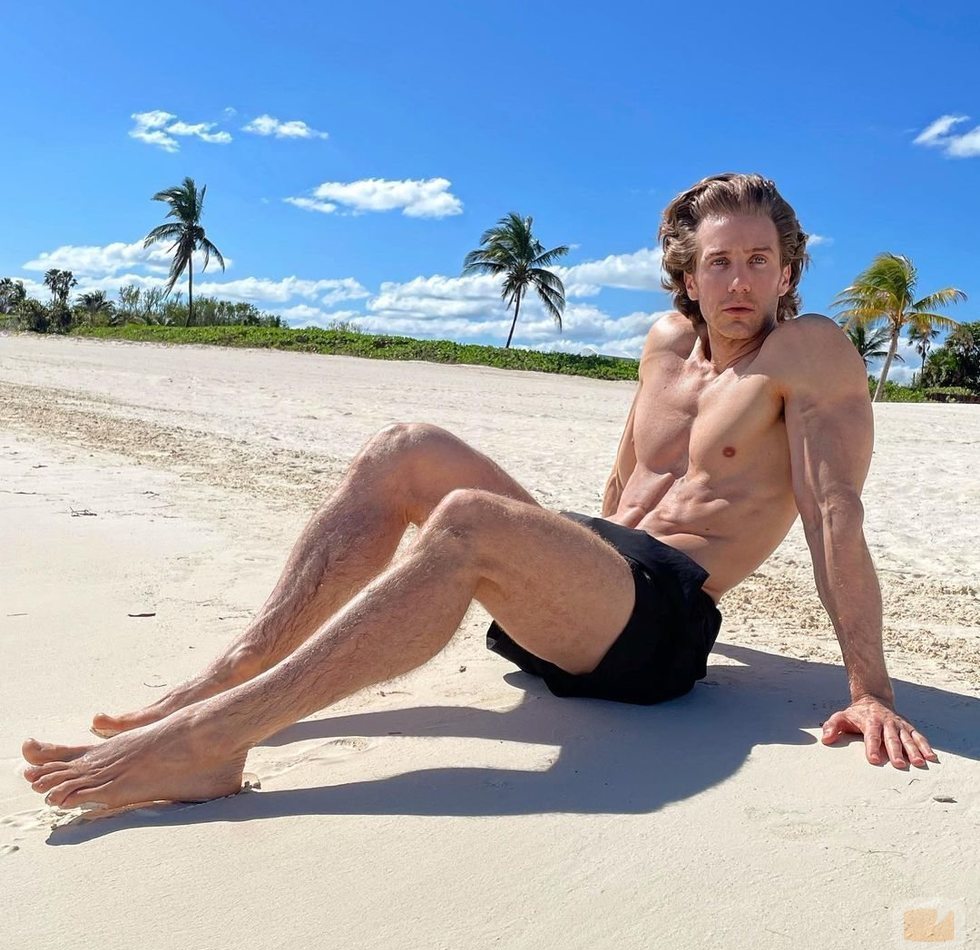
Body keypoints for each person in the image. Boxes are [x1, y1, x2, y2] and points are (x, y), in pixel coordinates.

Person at [22, 173, 937, 811]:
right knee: (405, 448)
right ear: (685, 273)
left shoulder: (808, 352)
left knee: (465, 520)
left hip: (658, 630)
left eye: (760, 261)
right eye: (719, 263)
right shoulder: (664, 344)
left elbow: (833, 512)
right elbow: (624, 484)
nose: (740, 282)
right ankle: (226, 677)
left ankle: (213, 742)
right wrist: (549, 566)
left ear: (790, 269)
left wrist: (869, 688)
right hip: (585, 588)